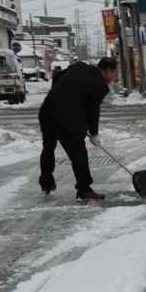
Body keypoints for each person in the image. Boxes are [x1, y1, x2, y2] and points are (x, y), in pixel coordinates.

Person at [38, 57, 118, 201]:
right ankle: (84, 190)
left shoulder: (80, 66)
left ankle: (46, 183)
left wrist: (57, 95)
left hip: (47, 109)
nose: (115, 76)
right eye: (115, 73)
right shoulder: (101, 86)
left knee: (48, 148)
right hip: (66, 117)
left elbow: (57, 76)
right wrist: (94, 133)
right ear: (108, 72)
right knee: (79, 153)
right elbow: (93, 111)